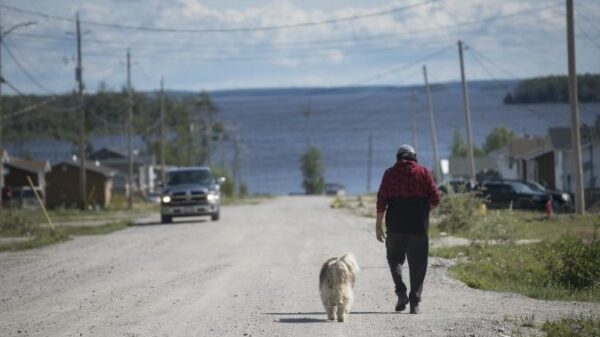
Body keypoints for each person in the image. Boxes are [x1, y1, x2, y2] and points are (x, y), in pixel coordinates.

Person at [375, 144, 440, 314]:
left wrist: (378, 225)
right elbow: (435, 197)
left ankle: (401, 292)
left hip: (395, 227)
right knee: (418, 264)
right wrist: (423, 211)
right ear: (414, 157)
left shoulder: (390, 174)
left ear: (398, 157)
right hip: (418, 227)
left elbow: (381, 200)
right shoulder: (424, 173)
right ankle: (415, 303)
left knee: (394, 259)